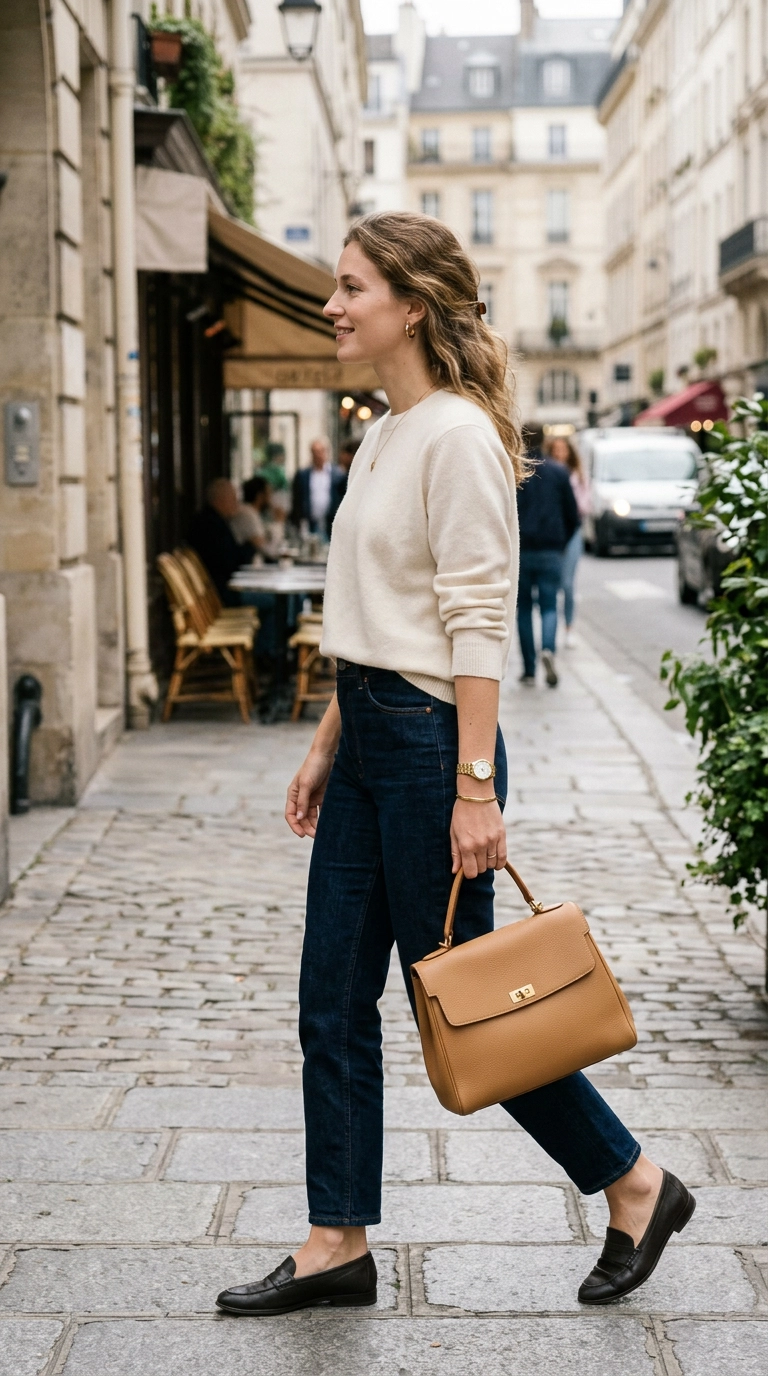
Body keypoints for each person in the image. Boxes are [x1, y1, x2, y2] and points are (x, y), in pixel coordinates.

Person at [216, 211, 695, 1319]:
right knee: (330, 999)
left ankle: (635, 1182)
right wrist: (330, 739)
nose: (331, 304)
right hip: (375, 731)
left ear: (412, 306)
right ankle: (336, 1238)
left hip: (437, 746)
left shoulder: (462, 435)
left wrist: (475, 786)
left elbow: (477, 622)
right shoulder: (384, 432)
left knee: (474, 1003)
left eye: (351, 287)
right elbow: (378, 613)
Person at [516, 446, 580, 687]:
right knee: (549, 605)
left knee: (522, 609)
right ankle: (548, 650)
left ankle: (529, 669)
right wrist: (561, 542)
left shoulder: (515, 472)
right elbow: (573, 516)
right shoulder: (558, 472)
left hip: (522, 549)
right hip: (551, 549)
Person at [546, 435, 590, 648]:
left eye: (563, 449)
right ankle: (551, 629)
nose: (559, 453)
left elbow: (585, 504)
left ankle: (569, 627)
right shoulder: (547, 472)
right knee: (552, 584)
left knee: (568, 584)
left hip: (571, 532)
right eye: (555, 449)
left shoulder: (576, 475)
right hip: (553, 533)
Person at [189, 478, 253, 607]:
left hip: (220, 589)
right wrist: (249, 548)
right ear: (220, 500)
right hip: (219, 594)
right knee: (269, 601)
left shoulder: (213, 520)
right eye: (233, 499)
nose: (236, 503)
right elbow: (231, 562)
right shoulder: (212, 525)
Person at [291, 437, 346, 537]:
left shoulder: (337, 474)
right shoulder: (303, 475)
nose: (318, 455)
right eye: (315, 452)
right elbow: (297, 500)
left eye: (321, 451)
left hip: (331, 522)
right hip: (310, 523)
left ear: (327, 452)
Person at [230, 475, 273, 556]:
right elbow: (263, 547)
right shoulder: (247, 514)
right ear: (260, 496)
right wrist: (279, 522)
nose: (271, 498)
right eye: (269, 493)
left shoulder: (250, 512)